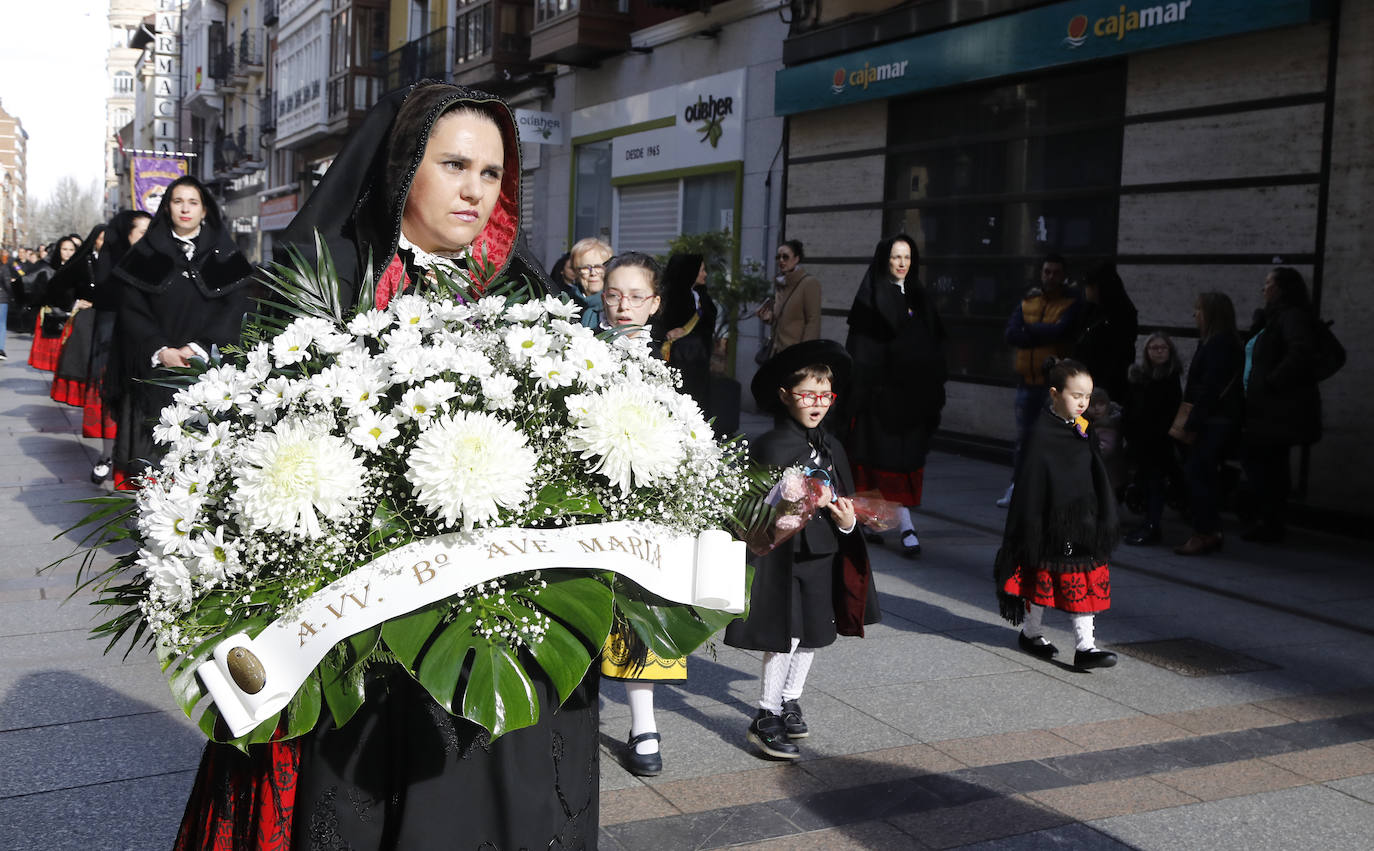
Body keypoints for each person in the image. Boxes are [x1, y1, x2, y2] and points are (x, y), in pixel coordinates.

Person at [175, 83, 592, 851]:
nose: (474, 189)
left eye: (492, 174)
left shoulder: (527, 296)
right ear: (405, 167)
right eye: (455, 164)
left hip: (498, 624)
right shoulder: (324, 283)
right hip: (365, 636)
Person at [728, 339, 879, 759]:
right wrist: (784, 502)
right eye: (807, 395)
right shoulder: (771, 445)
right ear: (784, 396)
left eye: (825, 395)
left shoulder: (832, 447)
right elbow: (748, 506)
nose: (818, 404)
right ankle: (765, 714)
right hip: (782, 557)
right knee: (784, 634)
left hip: (822, 553)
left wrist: (848, 520)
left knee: (814, 630)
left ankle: (791, 699)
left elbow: (844, 504)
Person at [589, 250, 686, 777]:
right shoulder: (580, 351)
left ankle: (643, 724)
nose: (622, 306)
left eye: (634, 296)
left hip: (640, 503)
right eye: (612, 294)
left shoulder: (665, 364)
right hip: (586, 499)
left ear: (654, 303)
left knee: (639, 609)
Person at [107, 177, 252, 491]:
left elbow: (235, 307)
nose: (185, 209)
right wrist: (160, 350)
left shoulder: (225, 252)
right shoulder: (144, 252)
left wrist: (198, 348)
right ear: (167, 207)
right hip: (154, 371)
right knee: (153, 457)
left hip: (208, 369)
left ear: (204, 210)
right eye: (178, 201)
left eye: (193, 202)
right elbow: (132, 310)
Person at [994, 358, 1119, 671]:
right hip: (1051, 524)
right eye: (1076, 395)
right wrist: (1036, 525)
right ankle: (1033, 632)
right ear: (1054, 393)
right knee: (1048, 574)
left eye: (1087, 396)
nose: (1082, 402)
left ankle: (1084, 644)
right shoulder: (1042, 433)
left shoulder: (1082, 429)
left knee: (1079, 572)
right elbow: (1033, 482)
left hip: (1082, 520)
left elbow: (1093, 473)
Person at [841, 234, 946, 557]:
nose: (902, 263)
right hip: (879, 398)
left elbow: (936, 342)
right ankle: (903, 524)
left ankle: (882, 521)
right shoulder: (870, 297)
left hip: (912, 400)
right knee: (879, 462)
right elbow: (861, 349)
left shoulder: (919, 295)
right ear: (885, 259)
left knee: (904, 463)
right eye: (896, 257)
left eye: (907, 257)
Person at [1238, 267, 1323, 543]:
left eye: (1268, 283)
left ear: (1282, 288)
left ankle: (1269, 520)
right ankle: (1266, 518)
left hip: (1276, 408)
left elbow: (1300, 352)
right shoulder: (1272, 317)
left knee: (1266, 462)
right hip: (1264, 406)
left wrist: (1272, 382)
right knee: (1265, 461)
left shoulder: (1292, 317)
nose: (1264, 288)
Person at [1000, 254, 1083, 507]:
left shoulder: (1070, 302)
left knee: (1054, 439)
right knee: (1025, 438)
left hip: (1054, 387)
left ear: (1063, 275)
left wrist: (1030, 330)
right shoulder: (1029, 300)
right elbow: (1011, 333)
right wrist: (1040, 333)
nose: (1050, 277)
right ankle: (1018, 487)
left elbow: (1061, 331)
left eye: (1056, 272)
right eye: (1047, 271)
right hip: (1027, 381)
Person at [1173, 292, 1244, 556]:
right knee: (1201, 472)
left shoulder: (1219, 344)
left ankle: (1205, 532)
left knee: (1197, 472)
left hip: (1212, 419)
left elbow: (1210, 388)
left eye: (1199, 309)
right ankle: (1209, 530)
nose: (1195, 315)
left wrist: (1192, 421)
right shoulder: (1219, 342)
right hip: (1215, 417)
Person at [87, 210, 151, 482]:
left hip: (149, 351)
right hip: (115, 350)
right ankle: (107, 455)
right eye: (142, 233)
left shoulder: (159, 262)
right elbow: (106, 314)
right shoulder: (112, 269)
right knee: (112, 404)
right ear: (126, 236)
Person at [1121, 333, 1183, 545]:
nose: (1158, 351)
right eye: (1154, 348)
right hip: (1140, 440)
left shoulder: (1170, 377)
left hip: (1158, 441)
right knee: (1146, 482)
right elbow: (1130, 407)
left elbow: (1170, 411)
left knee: (1155, 483)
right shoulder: (1139, 378)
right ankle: (1148, 522)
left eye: (1162, 348)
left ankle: (1152, 525)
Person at [48, 224, 107, 407]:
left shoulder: (119, 260)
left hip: (110, 317)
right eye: (102, 238)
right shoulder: (82, 261)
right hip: (86, 318)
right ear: (94, 240)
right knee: (82, 360)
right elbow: (58, 286)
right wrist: (74, 302)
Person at [657, 252, 716, 416]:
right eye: (701, 270)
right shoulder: (669, 296)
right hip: (677, 359)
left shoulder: (701, 295)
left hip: (697, 360)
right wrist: (668, 333)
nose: (705, 274)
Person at [1074, 263, 1138, 403]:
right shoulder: (1090, 311)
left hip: (1106, 388)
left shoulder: (1121, 315)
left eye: (1089, 286)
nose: (1085, 290)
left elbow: (1119, 357)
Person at [757, 240, 821, 358]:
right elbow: (783, 316)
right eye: (778, 257)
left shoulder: (809, 283)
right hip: (776, 352)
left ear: (796, 259)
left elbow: (813, 321)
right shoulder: (781, 284)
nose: (781, 260)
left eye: (785, 257)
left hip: (795, 354)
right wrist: (769, 317)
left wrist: (805, 355)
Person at [25, 235, 78, 371]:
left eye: (71, 249)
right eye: (64, 249)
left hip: (74, 316)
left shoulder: (80, 268)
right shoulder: (48, 268)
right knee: (56, 358)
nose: (67, 252)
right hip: (54, 315)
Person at [567, 236, 613, 329]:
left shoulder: (615, 304)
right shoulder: (566, 304)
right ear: (576, 272)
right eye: (585, 268)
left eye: (598, 267)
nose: (593, 273)